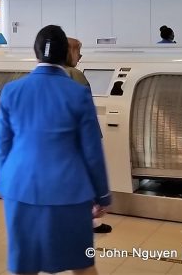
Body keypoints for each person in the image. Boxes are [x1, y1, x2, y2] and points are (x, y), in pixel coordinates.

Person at [0, 25, 110, 275]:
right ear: (65, 55)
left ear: (36, 52)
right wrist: (101, 195)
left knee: (24, 264)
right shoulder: (77, 93)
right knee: (82, 263)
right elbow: (92, 151)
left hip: (20, 189)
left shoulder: (11, 91)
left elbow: (3, 147)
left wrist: (9, 182)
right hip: (69, 191)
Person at [64, 37, 113, 235]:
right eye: (78, 53)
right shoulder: (75, 74)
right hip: (77, 138)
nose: (80, 57)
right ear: (69, 53)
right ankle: (90, 220)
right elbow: (86, 111)